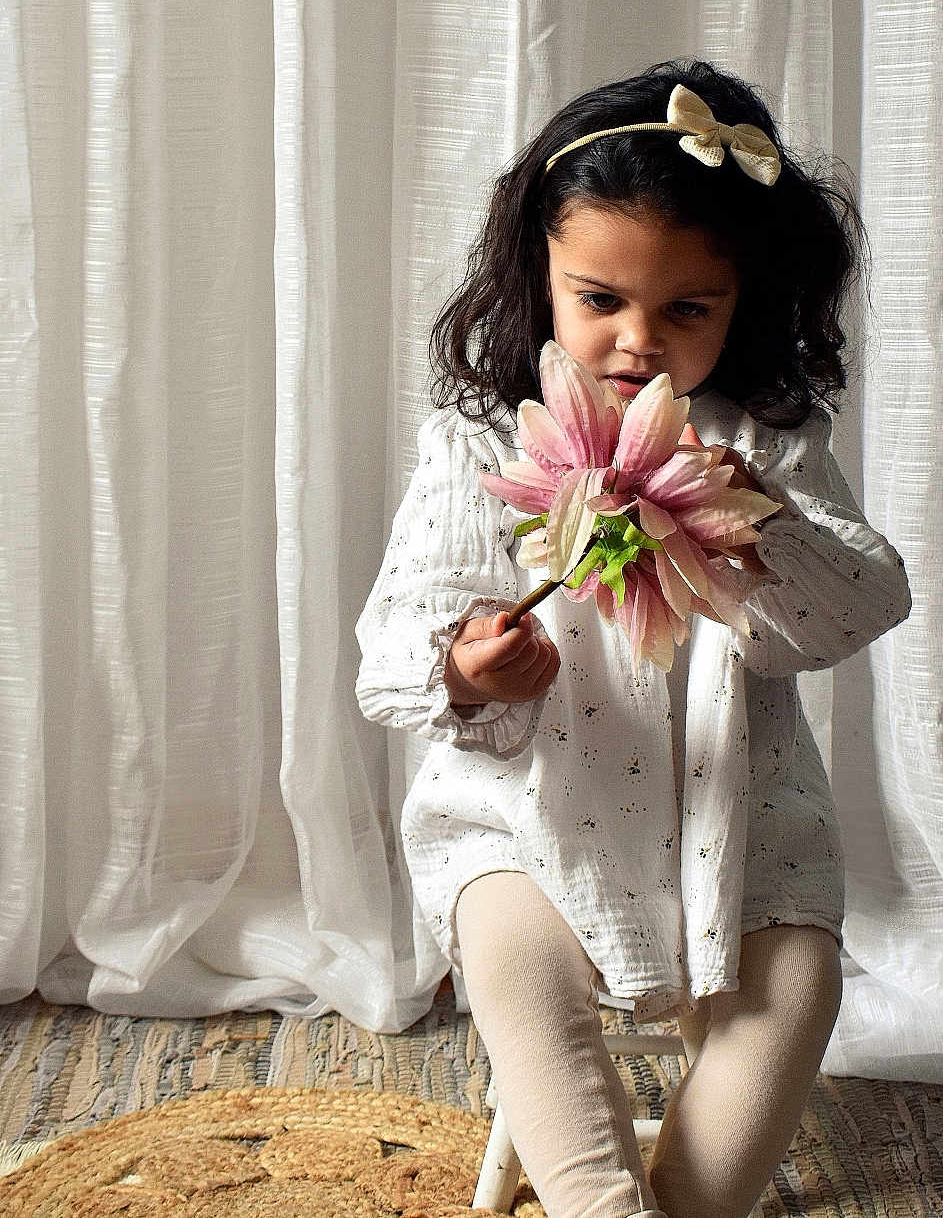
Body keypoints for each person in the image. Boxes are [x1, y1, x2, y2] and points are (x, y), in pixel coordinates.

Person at [355, 59, 911, 1218]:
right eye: (598, 299)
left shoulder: (768, 444)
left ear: (744, 302)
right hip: (524, 817)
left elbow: (858, 606)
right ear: (540, 282)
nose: (636, 341)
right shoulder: (480, 445)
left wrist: (755, 527)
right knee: (517, 970)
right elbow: (397, 632)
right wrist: (464, 665)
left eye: (686, 309)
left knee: (794, 990)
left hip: (741, 820)